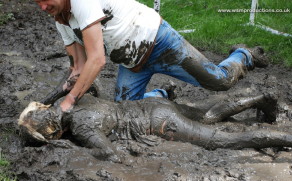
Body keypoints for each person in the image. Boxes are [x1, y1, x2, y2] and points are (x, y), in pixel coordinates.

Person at [35, 0, 268, 112]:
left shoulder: (81, 2)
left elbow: (96, 60)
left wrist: (70, 101)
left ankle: (243, 54)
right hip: (132, 63)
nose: (43, 7)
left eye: (45, 0)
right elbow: (78, 68)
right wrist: (47, 102)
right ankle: (163, 94)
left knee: (220, 81)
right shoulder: (62, 20)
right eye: (38, 3)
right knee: (125, 113)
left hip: (160, 42)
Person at [19, 92, 292, 161]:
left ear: (53, 133)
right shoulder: (79, 99)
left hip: (160, 123)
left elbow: (110, 154)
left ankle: (291, 138)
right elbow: (95, 86)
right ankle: (256, 99)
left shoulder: (81, 128)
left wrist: (69, 147)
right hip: (155, 105)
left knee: (220, 140)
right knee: (208, 115)